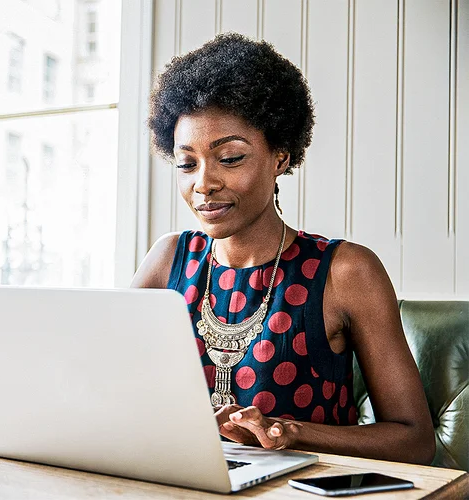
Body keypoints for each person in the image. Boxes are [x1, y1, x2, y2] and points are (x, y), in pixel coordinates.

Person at [131, 33, 434, 465]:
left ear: (280, 157)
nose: (203, 183)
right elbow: (110, 387)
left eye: (230, 158)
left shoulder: (345, 271)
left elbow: (415, 440)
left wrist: (289, 433)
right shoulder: (168, 260)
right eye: (186, 163)